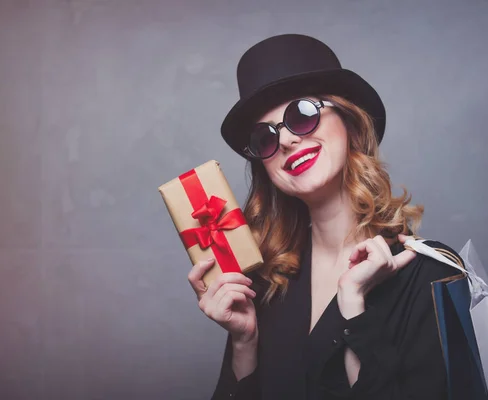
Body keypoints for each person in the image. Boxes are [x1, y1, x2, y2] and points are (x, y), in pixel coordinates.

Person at [187, 34, 462, 400]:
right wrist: (244, 342)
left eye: (301, 115)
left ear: (348, 121)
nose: (285, 142)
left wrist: (353, 307)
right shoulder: (267, 283)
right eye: (265, 138)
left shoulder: (431, 275)